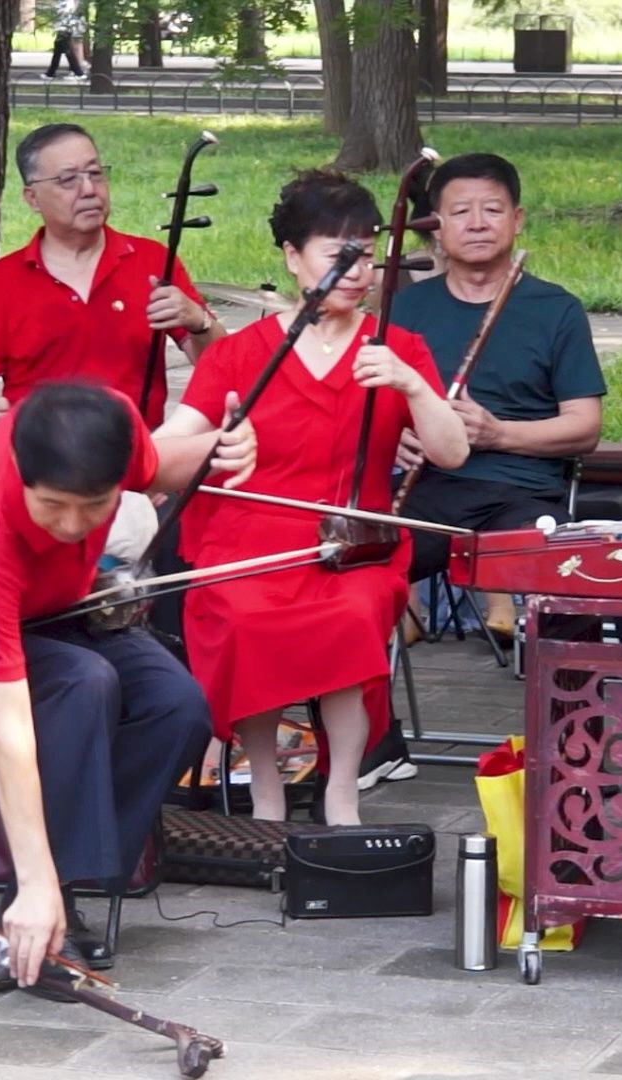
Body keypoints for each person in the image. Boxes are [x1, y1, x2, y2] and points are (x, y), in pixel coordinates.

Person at [0, 381, 255, 976]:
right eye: (53, 505)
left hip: (66, 618)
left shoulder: (109, 424)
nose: (71, 525)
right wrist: (38, 882)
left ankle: (69, 868)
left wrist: (222, 447)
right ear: (18, 466)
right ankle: (39, 890)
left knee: (178, 705)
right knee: (82, 682)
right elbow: (11, 732)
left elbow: (158, 466)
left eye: (94, 506)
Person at [158, 169, 468, 825]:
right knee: (245, 617)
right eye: (338, 253)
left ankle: (342, 789)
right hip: (248, 540)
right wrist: (214, 441)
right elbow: (169, 446)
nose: (356, 270)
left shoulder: (399, 348)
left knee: (354, 615)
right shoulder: (241, 355)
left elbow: (452, 452)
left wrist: (413, 386)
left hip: (351, 550)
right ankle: (266, 784)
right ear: (294, 258)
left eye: (365, 251)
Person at [378, 152, 607, 772]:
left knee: (574, 583)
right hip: (428, 491)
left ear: (518, 219)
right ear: (436, 227)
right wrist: (393, 436)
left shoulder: (554, 308)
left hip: (525, 494)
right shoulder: (405, 310)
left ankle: (572, 751)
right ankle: (371, 743)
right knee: (357, 571)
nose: (477, 223)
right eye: (461, 211)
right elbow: (372, 408)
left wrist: (499, 433)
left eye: (492, 209)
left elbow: (584, 427)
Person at [0, 123, 224, 431]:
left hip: (135, 459)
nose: (88, 190)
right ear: (32, 198)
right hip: (36, 460)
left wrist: (198, 321)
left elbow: (218, 366)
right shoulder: (1, 280)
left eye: (95, 174)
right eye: (68, 180)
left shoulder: (152, 261)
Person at [43, 0, 87, 82]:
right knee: (58, 51)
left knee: (67, 51)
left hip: (65, 28)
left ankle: (78, 73)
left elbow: (65, 13)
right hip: (62, 27)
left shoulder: (68, 2)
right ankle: (51, 73)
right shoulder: (63, 2)